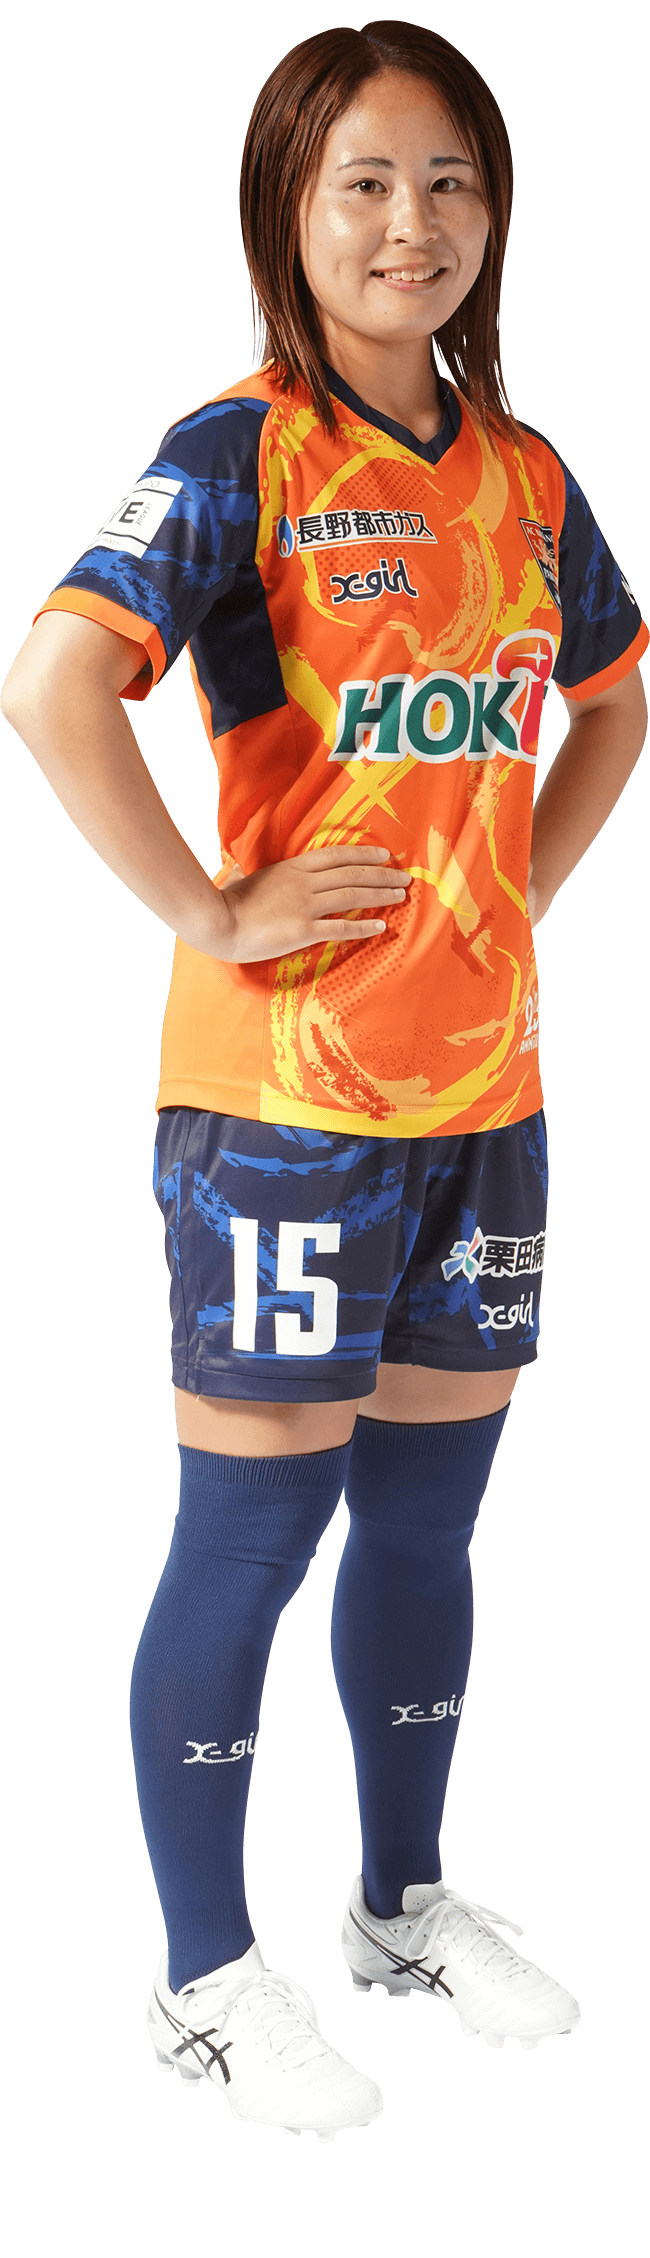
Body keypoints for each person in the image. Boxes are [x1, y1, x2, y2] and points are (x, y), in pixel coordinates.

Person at [2, 24, 647, 2137]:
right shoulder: (237, 453)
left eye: (447, 179)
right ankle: (204, 1976)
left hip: (485, 1105)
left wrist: (514, 894)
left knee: (431, 1526)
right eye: (362, 180)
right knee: (252, 1530)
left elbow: (615, 708)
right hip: (283, 1102)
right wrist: (208, 906)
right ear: (288, 209)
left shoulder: (526, 478)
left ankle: (399, 1906)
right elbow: (51, 686)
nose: (409, 223)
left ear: (494, 210)